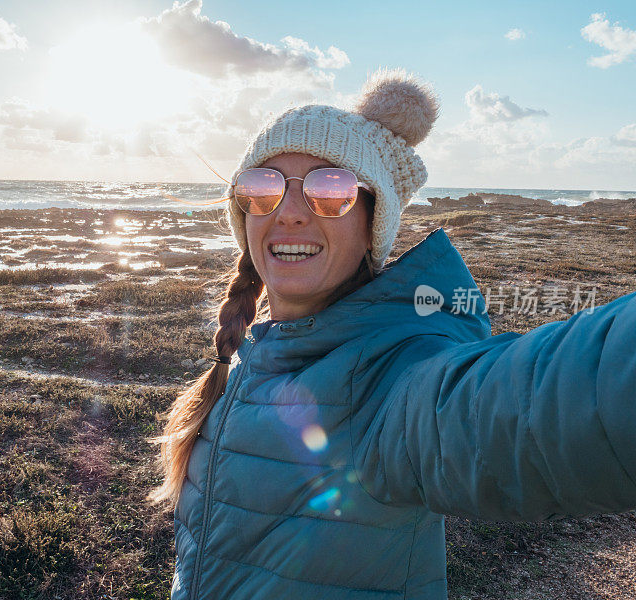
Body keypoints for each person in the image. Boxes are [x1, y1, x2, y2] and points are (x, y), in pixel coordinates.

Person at [148, 67, 636, 599]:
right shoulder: (247, 357)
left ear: (372, 224)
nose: (287, 212)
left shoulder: (391, 378)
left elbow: (536, 404)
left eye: (330, 188)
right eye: (262, 186)